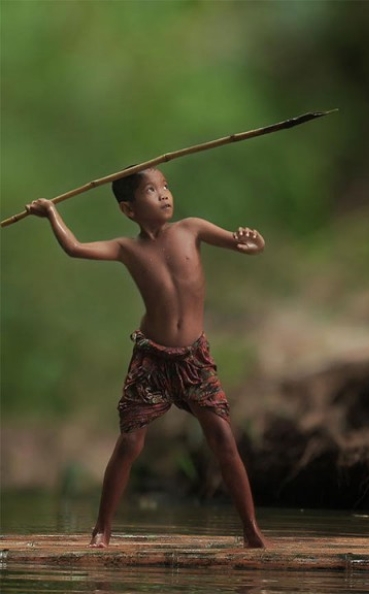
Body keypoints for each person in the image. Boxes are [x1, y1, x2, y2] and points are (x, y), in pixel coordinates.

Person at [25, 167, 267, 548]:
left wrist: (253, 244)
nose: (165, 195)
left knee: (222, 438)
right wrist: (52, 212)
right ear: (129, 210)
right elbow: (75, 248)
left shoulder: (192, 229)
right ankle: (102, 529)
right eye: (152, 190)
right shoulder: (128, 248)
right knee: (129, 444)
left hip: (193, 360)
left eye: (166, 186)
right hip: (151, 360)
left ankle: (251, 529)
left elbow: (239, 243)